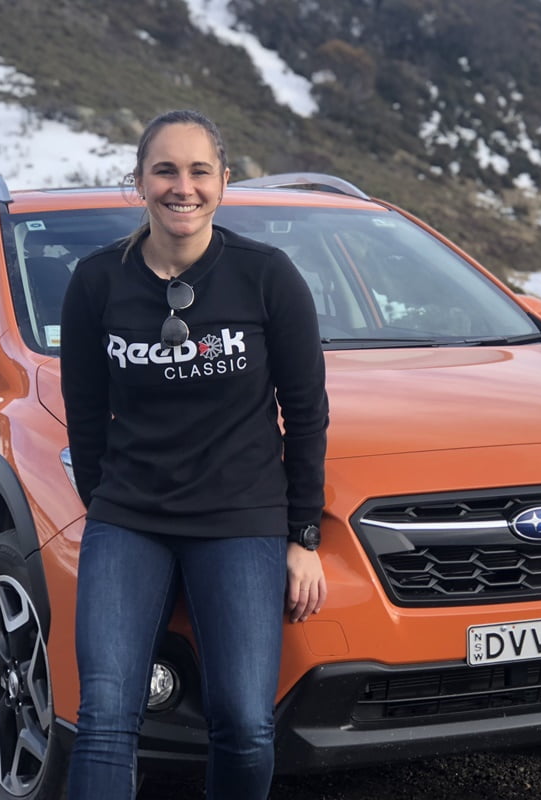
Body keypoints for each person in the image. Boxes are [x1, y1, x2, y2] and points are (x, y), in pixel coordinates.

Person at [59, 109, 329, 799]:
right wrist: (107, 505)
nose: (184, 186)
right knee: (106, 717)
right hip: (131, 520)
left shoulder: (266, 277)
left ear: (224, 181)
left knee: (243, 722)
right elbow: (86, 417)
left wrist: (303, 536)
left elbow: (305, 413)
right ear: (139, 183)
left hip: (240, 520)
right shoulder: (97, 282)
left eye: (199, 170)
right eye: (166, 170)